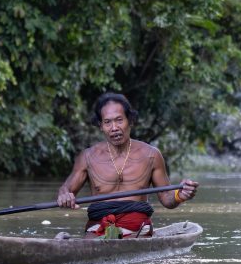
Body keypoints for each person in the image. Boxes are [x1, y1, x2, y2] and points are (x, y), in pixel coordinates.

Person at [56, 92, 198, 238]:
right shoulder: (87, 157)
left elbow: (167, 199)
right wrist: (64, 196)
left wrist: (180, 195)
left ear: (130, 121)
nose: (114, 127)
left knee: (130, 236)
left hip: (137, 227)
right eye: (107, 122)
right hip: (98, 226)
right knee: (91, 242)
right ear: (100, 126)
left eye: (119, 120)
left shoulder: (151, 155)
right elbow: (66, 189)